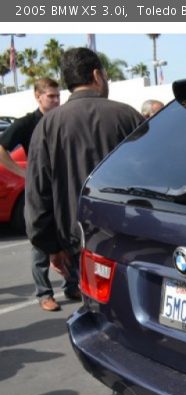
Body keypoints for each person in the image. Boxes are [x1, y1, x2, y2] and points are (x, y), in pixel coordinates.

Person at [25, 48, 143, 291]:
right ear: (97, 75)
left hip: (77, 244)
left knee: (93, 308)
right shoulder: (128, 116)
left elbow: (37, 196)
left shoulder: (48, 126)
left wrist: (51, 247)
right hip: (128, 239)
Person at [0, 77, 77, 311]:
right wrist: (22, 173)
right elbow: (2, 148)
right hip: (38, 193)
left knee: (68, 237)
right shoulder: (26, 123)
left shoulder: (63, 119)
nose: (56, 100)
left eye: (58, 96)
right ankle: (44, 293)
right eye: (51, 96)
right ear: (38, 96)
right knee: (40, 241)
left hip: (62, 190)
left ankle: (71, 285)